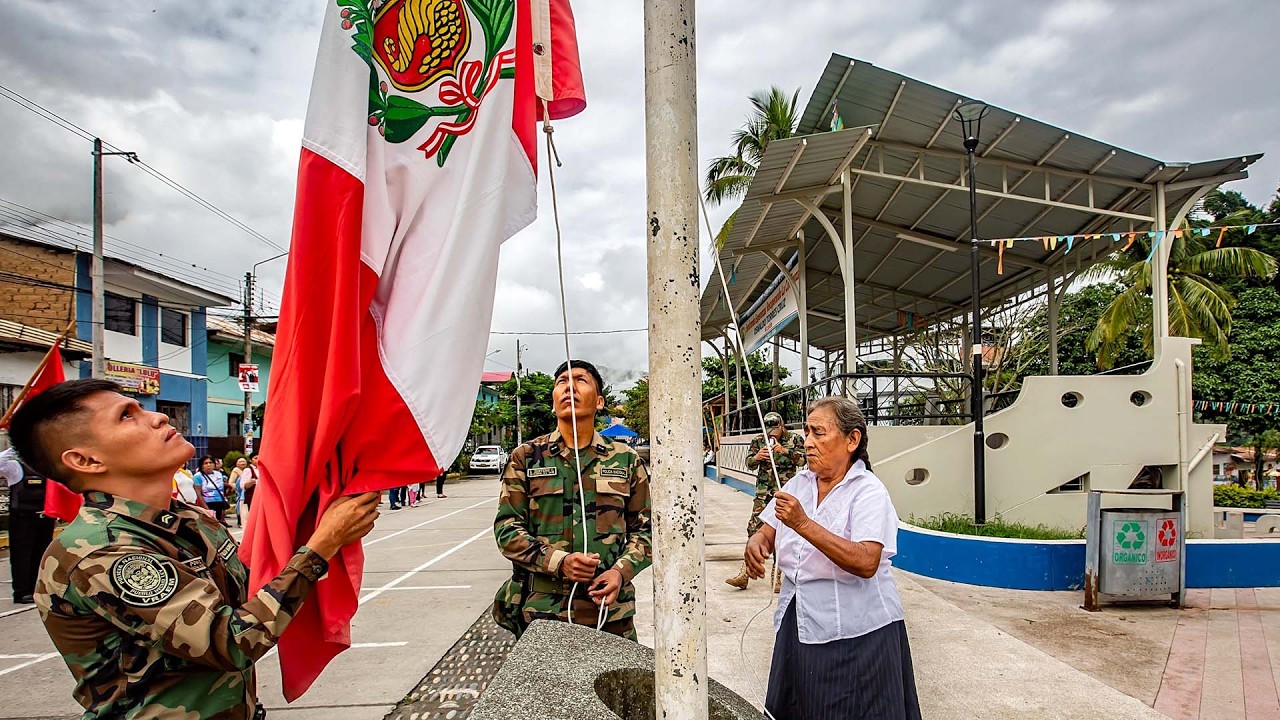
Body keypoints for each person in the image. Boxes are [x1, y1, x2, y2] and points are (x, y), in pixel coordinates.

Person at [6, 379, 380, 719]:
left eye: (140, 407)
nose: (157, 416)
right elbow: (231, 641)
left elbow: (251, 591)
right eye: (126, 416)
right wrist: (321, 546)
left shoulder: (188, 519)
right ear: (86, 460)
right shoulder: (102, 552)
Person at [746, 397, 920, 719]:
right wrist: (757, 542)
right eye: (807, 432)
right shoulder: (800, 483)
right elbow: (768, 528)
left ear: (852, 440)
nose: (808, 443)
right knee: (802, 704)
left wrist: (802, 523)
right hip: (799, 620)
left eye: (818, 433)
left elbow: (867, 561)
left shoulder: (868, 491)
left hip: (859, 634)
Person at [492, 359, 652, 640]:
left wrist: (620, 572)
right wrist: (559, 561)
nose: (569, 387)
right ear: (553, 403)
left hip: (609, 612)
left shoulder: (625, 459)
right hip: (543, 611)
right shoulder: (527, 457)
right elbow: (506, 529)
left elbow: (646, 531)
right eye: (561, 382)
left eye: (580, 380)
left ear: (599, 401)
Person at [726, 411, 805, 591]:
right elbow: (748, 463)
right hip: (763, 493)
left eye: (774, 430)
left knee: (781, 532)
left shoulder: (795, 439)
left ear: (782, 426)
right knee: (754, 529)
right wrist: (757, 457)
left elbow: (803, 460)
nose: (771, 434)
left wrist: (784, 451)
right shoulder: (758, 440)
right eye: (768, 430)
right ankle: (744, 573)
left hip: (783, 491)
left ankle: (776, 575)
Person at [1, 447, 55, 604]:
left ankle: (36, 589)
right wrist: (16, 444)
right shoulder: (15, 467)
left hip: (45, 518)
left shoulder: (48, 469)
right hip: (23, 519)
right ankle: (21, 592)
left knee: (41, 555)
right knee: (22, 557)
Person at [195, 455, 230, 524]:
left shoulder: (219, 474)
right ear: (201, 466)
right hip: (207, 503)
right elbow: (198, 494)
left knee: (218, 525)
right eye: (206, 463)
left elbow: (221, 490)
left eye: (210, 463)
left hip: (219, 503)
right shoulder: (198, 476)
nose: (209, 465)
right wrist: (206, 509)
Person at [228, 457, 250, 527]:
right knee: (240, 508)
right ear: (237, 463)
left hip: (247, 492)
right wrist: (238, 488)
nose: (242, 463)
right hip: (240, 492)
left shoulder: (248, 470)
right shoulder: (236, 470)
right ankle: (240, 521)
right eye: (240, 462)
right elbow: (231, 482)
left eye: (243, 461)